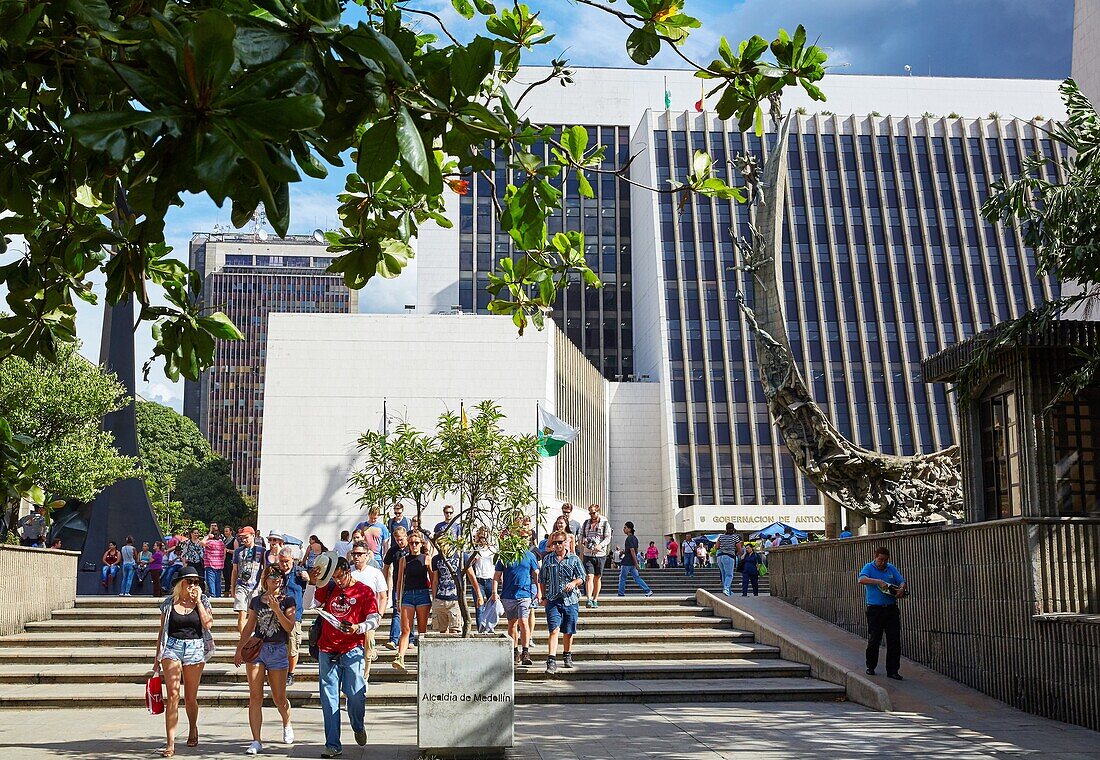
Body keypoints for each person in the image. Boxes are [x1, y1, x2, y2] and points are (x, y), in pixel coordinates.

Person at [311, 554, 380, 758]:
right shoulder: (328, 586)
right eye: (334, 578)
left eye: (340, 576)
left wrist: (358, 627)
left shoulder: (364, 590)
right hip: (327, 649)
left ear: (347, 571)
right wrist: (312, 584)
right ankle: (333, 744)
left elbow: (374, 619)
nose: (338, 581)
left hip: (353, 648)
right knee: (329, 698)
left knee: (356, 694)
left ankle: (358, 725)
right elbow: (308, 605)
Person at [153, 566, 214, 757]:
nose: (193, 586)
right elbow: (162, 630)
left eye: (196, 582)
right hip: (172, 646)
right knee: (172, 694)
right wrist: (157, 658)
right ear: (181, 583)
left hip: (195, 647)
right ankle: (170, 743)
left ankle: (193, 727)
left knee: (190, 697)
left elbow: (208, 624)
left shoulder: (203, 601)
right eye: (189, 582)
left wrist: (198, 603)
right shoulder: (169, 603)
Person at [234, 565, 296, 754]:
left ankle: (286, 722)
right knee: (255, 696)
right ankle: (256, 740)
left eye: (278, 576)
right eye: (271, 576)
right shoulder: (256, 601)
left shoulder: (288, 600)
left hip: (278, 650)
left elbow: (289, 627)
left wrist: (277, 609)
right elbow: (249, 626)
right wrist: (239, 649)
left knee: (279, 698)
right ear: (265, 580)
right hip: (258, 650)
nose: (275, 579)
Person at [538, 530, 585, 674]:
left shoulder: (574, 559)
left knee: (568, 631)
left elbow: (582, 577)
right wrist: (543, 597)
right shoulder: (548, 559)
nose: (557, 545)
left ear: (565, 543)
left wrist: (574, 582)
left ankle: (567, 654)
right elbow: (542, 580)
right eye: (554, 543)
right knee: (553, 629)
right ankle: (551, 660)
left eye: (560, 542)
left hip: (570, 600)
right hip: (553, 599)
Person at [858, 547, 907, 680]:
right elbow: (861, 579)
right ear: (875, 557)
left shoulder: (891, 568)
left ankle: (892, 670)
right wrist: (879, 581)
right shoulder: (869, 567)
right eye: (880, 560)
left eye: (885, 560)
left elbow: (901, 581)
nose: (883, 563)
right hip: (875, 609)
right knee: (875, 639)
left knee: (894, 640)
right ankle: (871, 666)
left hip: (890, 608)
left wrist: (902, 588)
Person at [493, 542, 540, 667]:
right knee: (512, 624)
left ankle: (525, 652)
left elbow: (536, 574)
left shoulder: (530, 555)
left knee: (523, 621)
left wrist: (539, 591)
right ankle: (514, 650)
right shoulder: (505, 556)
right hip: (508, 595)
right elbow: (497, 576)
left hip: (524, 594)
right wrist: (494, 592)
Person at [392, 531, 432, 673]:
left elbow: (433, 578)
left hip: (422, 594)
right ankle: (400, 656)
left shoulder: (426, 558)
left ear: (421, 544)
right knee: (406, 629)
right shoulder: (404, 559)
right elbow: (399, 580)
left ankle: (423, 659)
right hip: (408, 594)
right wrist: (398, 598)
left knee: (422, 631)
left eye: (416, 543)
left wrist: (435, 596)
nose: (414, 545)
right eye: (411, 543)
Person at [348, 540, 389, 668]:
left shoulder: (375, 573)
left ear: (367, 555)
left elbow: (383, 597)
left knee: (368, 649)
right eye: (354, 553)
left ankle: (364, 677)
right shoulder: (348, 572)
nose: (356, 557)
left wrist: (379, 615)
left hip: (368, 618)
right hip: (351, 617)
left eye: (359, 554)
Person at [275, 546, 310, 686]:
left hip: (294, 615)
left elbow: (313, 587)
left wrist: (308, 580)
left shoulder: (299, 573)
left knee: (292, 645)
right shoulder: (276, 573)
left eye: (287, 561)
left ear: (292, 560)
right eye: (282, 561)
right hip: (277, 613)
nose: (284, 564)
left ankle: (291, 673)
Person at [430, 543, 472, 635]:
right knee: (442, 631)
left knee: (455, 630)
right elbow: (435, 580)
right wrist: (434, 598)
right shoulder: (436, 559)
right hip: (440, 597)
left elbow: (471, 575)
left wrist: (478, 594)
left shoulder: (461, 556)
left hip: (455, 599)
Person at [231, 527, 265, 634]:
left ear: (253, 535)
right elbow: (235, 570)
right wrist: (232, 587)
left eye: (246, 537)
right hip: (241, 585)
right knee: (241, 613)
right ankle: (243, 640)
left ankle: (252, 638)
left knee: (253, 615)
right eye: (242, 538)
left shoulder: (262, 550)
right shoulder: (238, 551)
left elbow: (264, 569)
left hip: (255, 586)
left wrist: (261, 583)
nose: (244, 540)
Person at [578, 503, 611, 608]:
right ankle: (588, 599)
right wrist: (584, 541)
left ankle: (595, 599)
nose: (592, 515)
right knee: (589, 576)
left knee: (597, 577)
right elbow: (581, 535)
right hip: (588, 553)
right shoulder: (586, 523)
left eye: (593, 513)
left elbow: (608, 538)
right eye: (590, 513)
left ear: (598, 512)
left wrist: (600, 546)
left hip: (600, 554)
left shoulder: (605, 524)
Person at [469, 528, 497, 633]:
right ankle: (481, 630)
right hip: (479, 580)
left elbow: (497, 565)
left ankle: (490, 627)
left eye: (484, 537)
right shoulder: (475, 549)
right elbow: (469, 565)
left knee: (491, 606)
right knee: (479, 606)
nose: (483, 539)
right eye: (480, 537)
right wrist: (474, 557)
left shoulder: (493, 549)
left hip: (490, 579)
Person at [617, 521, 653, 597]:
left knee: (622, 578)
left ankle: (621, 594)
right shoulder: (635, 538)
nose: (624, 529)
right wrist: (635, 561)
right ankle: (648, 590)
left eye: (625, 528)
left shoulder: (628, 539)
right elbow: (635, 551)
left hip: (627, 562)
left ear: (629, 529)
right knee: (637, 578)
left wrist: (636, 563)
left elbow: (632, 550)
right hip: (633, 562)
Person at [715, 523, 742, 596]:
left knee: (724, 574)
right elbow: (739, 549)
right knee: (729, 575)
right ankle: (726, 589)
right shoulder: (735, 537)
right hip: (729, 556)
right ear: (733, 529)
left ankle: (728, 590)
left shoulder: (721, 537)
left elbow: (716, 547)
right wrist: (737, 554)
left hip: (719, 557)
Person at [201, 527, 226, 598]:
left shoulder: (210, 542)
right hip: (220, 564)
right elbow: (224, 553)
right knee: (218, 581)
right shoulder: (221, 543)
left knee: (211, 581)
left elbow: (201, 542)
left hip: (210, 564)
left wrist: (207, 536)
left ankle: (213, 595)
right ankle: (218, 595)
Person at [221, 526, 237, 595]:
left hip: (231, 560)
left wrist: (227, 550)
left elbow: (236, 551)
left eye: (227, 531)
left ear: (231, 532)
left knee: (231, 575)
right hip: (224, 560)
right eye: (225, 531)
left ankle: (232, 590)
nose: (225, 533)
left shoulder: (234, 540)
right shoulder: (224, 540)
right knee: (225, 575)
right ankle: (226, 590)